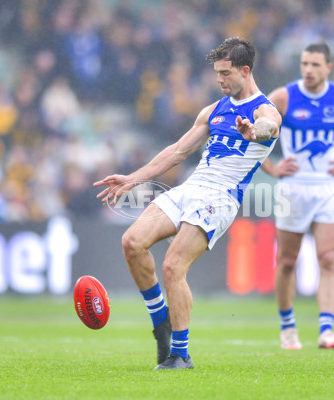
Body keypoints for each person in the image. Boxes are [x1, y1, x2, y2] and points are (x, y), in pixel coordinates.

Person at [94, 37, 281, 369]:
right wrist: (132, 179)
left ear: (245, 70)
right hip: (191, 186)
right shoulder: (214, 110)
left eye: (225, 73)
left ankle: (181, 354)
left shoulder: (263, 109)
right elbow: (178, 152)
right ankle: (161, 323)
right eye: (217, 73)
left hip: (221, 197)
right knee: (132, 243)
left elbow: (270, 125)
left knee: (172, 266)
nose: (219, 80)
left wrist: (256, 131)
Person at [261, 42, 334, 350]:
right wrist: (271, 167)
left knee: (328, 258)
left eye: (315, 65)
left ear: (328, 68)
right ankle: (287, 327)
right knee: (287, 261)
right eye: (305, 64)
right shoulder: (283, 96)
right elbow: (253, 133)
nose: (308, 70)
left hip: (327, 188)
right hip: (293, 188)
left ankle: (326, 331)